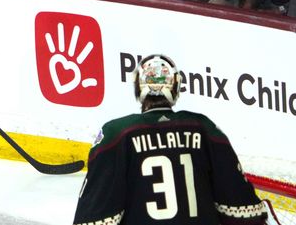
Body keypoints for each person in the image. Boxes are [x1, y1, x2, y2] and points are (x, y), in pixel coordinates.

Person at [73, 53, 267, 225]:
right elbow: (240, 204)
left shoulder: (116, 134)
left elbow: (93, 216)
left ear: (137, 87)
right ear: (176, 86)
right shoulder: (204, 128)